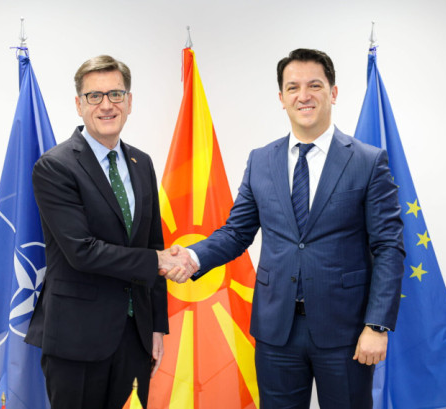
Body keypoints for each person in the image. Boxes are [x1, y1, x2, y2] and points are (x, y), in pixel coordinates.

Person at [162, 49, 405, 409]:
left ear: (333, 92)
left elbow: (389, 247)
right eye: (293, 87)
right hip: (277, 332)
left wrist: (377, 325)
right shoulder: (261, 160)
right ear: (281, 98)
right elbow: (237, 232)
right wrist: (193, 256)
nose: (303, 95)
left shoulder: (368, 162)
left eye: (314, 85)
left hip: (347, 332)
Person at [25, 55, 195, 409]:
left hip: (134, 337)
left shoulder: (141, 162)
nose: (106, 105)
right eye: (94, 96)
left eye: (116, 94)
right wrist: (157, 260)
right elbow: (82, 251)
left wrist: (156, 326)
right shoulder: (55, 167)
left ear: (129, 102)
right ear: (79, 104)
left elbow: (153, 242)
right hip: (76, 339)